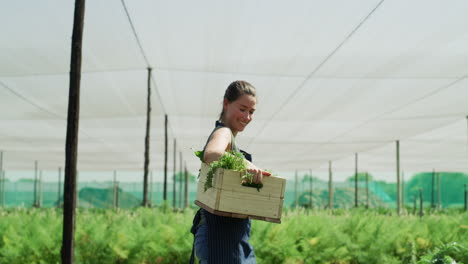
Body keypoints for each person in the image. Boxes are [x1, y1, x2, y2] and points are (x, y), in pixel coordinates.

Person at [189, 80, 271, 264]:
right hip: (218, 233)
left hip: (233, 233)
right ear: (226, 103)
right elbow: (211, 154)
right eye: (242, 109)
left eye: (251, 112)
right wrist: (243, 163)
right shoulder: (223, 132)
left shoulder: (230, 137)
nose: (247, 116)